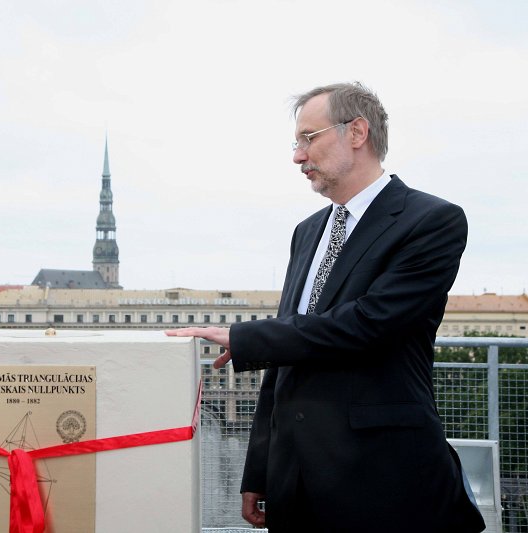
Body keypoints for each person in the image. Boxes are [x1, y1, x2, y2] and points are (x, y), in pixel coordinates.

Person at [166, 82, 485, 532]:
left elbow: (368, 324)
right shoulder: (308, 231)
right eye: (296, 142)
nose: (298, 156)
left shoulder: (431, 221)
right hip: (297, 482)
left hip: (384, 479)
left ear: (357, 132)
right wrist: (259, 468)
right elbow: (285, 357)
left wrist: (246, 337)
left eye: (308, 139)